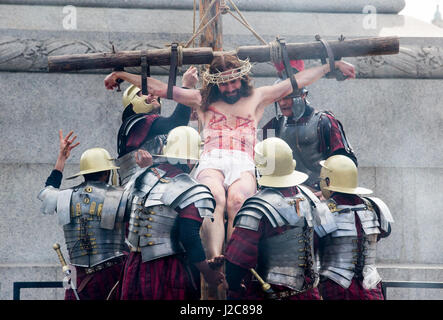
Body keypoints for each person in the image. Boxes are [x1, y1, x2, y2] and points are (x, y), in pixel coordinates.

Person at [104, 56, 356, 271]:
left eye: (234, 81)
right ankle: (215, 258)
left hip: (243, 161)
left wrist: (330, 65)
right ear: (215, 84)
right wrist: (122, 74)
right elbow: (162, 89)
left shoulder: (258, 96)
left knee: (238, 201)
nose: (230, 87)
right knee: (213, 198)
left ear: (242, 78)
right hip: (212, 159)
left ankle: (234, 260)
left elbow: (297, 81)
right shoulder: (202, 99)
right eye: (224, 84)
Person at [118, 126, 227, 300]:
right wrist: (207, 272)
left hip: (134, 265)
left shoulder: (139, 177)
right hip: (166, 269)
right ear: (191, 160)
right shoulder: (191, 188)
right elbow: (189, 236)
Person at [224, 137, 337, 300]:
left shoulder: (257, 207)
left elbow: (238, 260)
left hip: (271, 295)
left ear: (260, 168)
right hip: (309, 294)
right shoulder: (310, 199)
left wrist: (233, 286)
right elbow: (323, 243)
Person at [37, 130, 130, 300]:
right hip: (114, 275)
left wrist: (61, 159)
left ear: (84, 173)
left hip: (79, 276)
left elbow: (46, 192)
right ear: (107, 173)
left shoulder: (65, 197)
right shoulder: (120, 195)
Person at [262, 60, 357, 192]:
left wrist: (329, 192)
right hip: (287, 193)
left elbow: (345, 164)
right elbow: (264, 164)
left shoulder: (324, 121)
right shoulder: (275, 125)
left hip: (321, 193)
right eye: (279, 99)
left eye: (287, 97)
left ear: (303, 95)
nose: (282, 103)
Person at [317, 155, 394, 300]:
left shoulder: (323, 210)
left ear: (328, 181)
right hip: (370, 286)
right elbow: (385, 232)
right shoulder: (374, 207)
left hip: (336, 288)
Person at [117, 66, 198, 186]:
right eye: (144, 93)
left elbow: (179, 166)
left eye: (153, 92)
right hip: (136, 189)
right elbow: (177, 123)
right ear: (132, 102)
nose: (152, 96)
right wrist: (187, 88)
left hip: (157, 187)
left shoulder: (159, 134)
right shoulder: (136, 123)